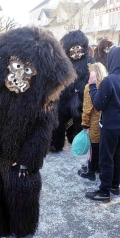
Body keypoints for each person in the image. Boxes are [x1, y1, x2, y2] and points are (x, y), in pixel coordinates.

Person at [0, 26, 77, 238]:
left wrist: (28, 160)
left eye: (27, 70)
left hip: (19, 161)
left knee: (22, 193)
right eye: (16, 66)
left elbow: (42, 133)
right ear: (6, 62)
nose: (18, 75)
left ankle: (22, 232)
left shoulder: (43, 101)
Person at [50, 30, 95, 152]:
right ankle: (56, 142)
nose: (75, 50)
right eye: (72, 47)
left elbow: (93, 79)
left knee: (78, 121)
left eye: (78, 46)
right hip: (63, 97)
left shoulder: (89, 61)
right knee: (58, 119)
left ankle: (76, 141)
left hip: (81, 97)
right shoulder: (62, 61)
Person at [86, 46, 120, 202]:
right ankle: (114, 185)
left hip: (110, 127)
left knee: (106, 158)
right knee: (118, 156)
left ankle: (104, 192)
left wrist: (92, 86)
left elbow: (98, 104)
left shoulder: (109, 80)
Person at [78, 62, 107, 181]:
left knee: (92, 147)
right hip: (105, 122)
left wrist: (85, 123)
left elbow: (87, 107)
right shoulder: (107, 84)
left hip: (94, 123)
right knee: (101, 147)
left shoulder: (89, 87)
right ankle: (98, 167)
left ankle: (90, 171)